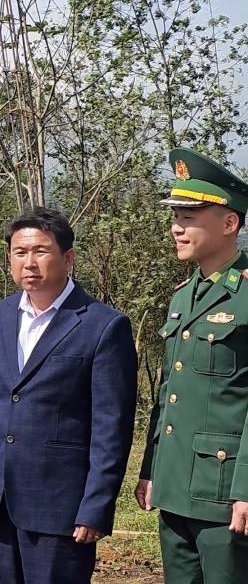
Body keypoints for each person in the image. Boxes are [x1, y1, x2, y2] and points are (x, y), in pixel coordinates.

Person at [0, 207, 137, 584]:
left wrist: (96, 506)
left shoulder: (102, 325)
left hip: (60, 507)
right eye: (19, 252)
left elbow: (111, 428)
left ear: (67, 258)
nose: (29, 263)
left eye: (40, 251)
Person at [136, 148, 248, 582]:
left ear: (229, 223)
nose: (176, 228)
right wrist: (150, 470)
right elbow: (168, 394)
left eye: (189, 216)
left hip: (225, 496)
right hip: (177, 486)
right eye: (175, 216)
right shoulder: (184, 296)